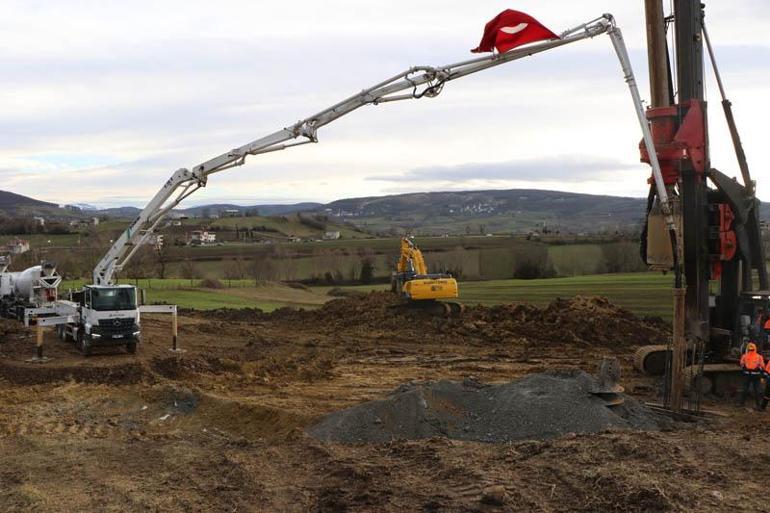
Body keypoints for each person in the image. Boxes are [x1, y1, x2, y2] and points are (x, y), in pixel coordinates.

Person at [740, 342, 765, 410]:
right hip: (755, 375)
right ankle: (758, 405)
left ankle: (742, 403)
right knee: (756, 390)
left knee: (745, 389)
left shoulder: (744, 356)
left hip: (748, 375)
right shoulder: (759, 357)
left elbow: (742, 364)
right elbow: (762, 366)